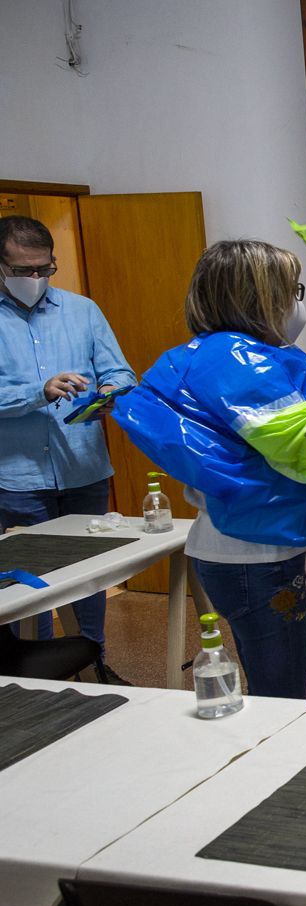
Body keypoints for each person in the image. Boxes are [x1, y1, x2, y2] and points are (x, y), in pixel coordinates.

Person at [113, 240, 306, 699]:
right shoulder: (237, 361)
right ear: (258, 297)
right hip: (251, 556)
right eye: (292, 291)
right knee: (280, 691)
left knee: (272, 678)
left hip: (241, 546)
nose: (298, 305)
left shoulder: (210, 354)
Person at [0, 216, 135, 680]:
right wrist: (40, 390)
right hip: (17, 479)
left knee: (88, 576)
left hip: (84, 468)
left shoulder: (82, 311)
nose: (36, 279)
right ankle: (29, 676)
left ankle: (93, 662)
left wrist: (109, 395)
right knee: (26, 585)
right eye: (25, 270)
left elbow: (121, 373)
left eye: (45, 269)